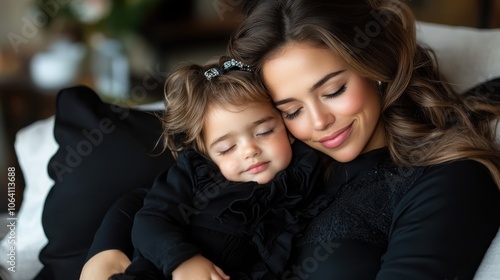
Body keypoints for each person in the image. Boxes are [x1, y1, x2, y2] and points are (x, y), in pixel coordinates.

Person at [82, 0, 500, 279]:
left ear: (375, 65)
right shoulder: (282, 152)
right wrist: (103, 258)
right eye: (291, 109)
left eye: (333, 90)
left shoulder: (448, 181)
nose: (319, 122)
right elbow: (148, 201)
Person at [89, 56, 331, 280]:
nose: (250, 150)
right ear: (207, 153)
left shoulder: (307, 174)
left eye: (265, 132)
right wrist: (182, 261)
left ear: (287, 127)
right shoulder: (194, 176)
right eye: (227, 148)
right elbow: (150, 220)